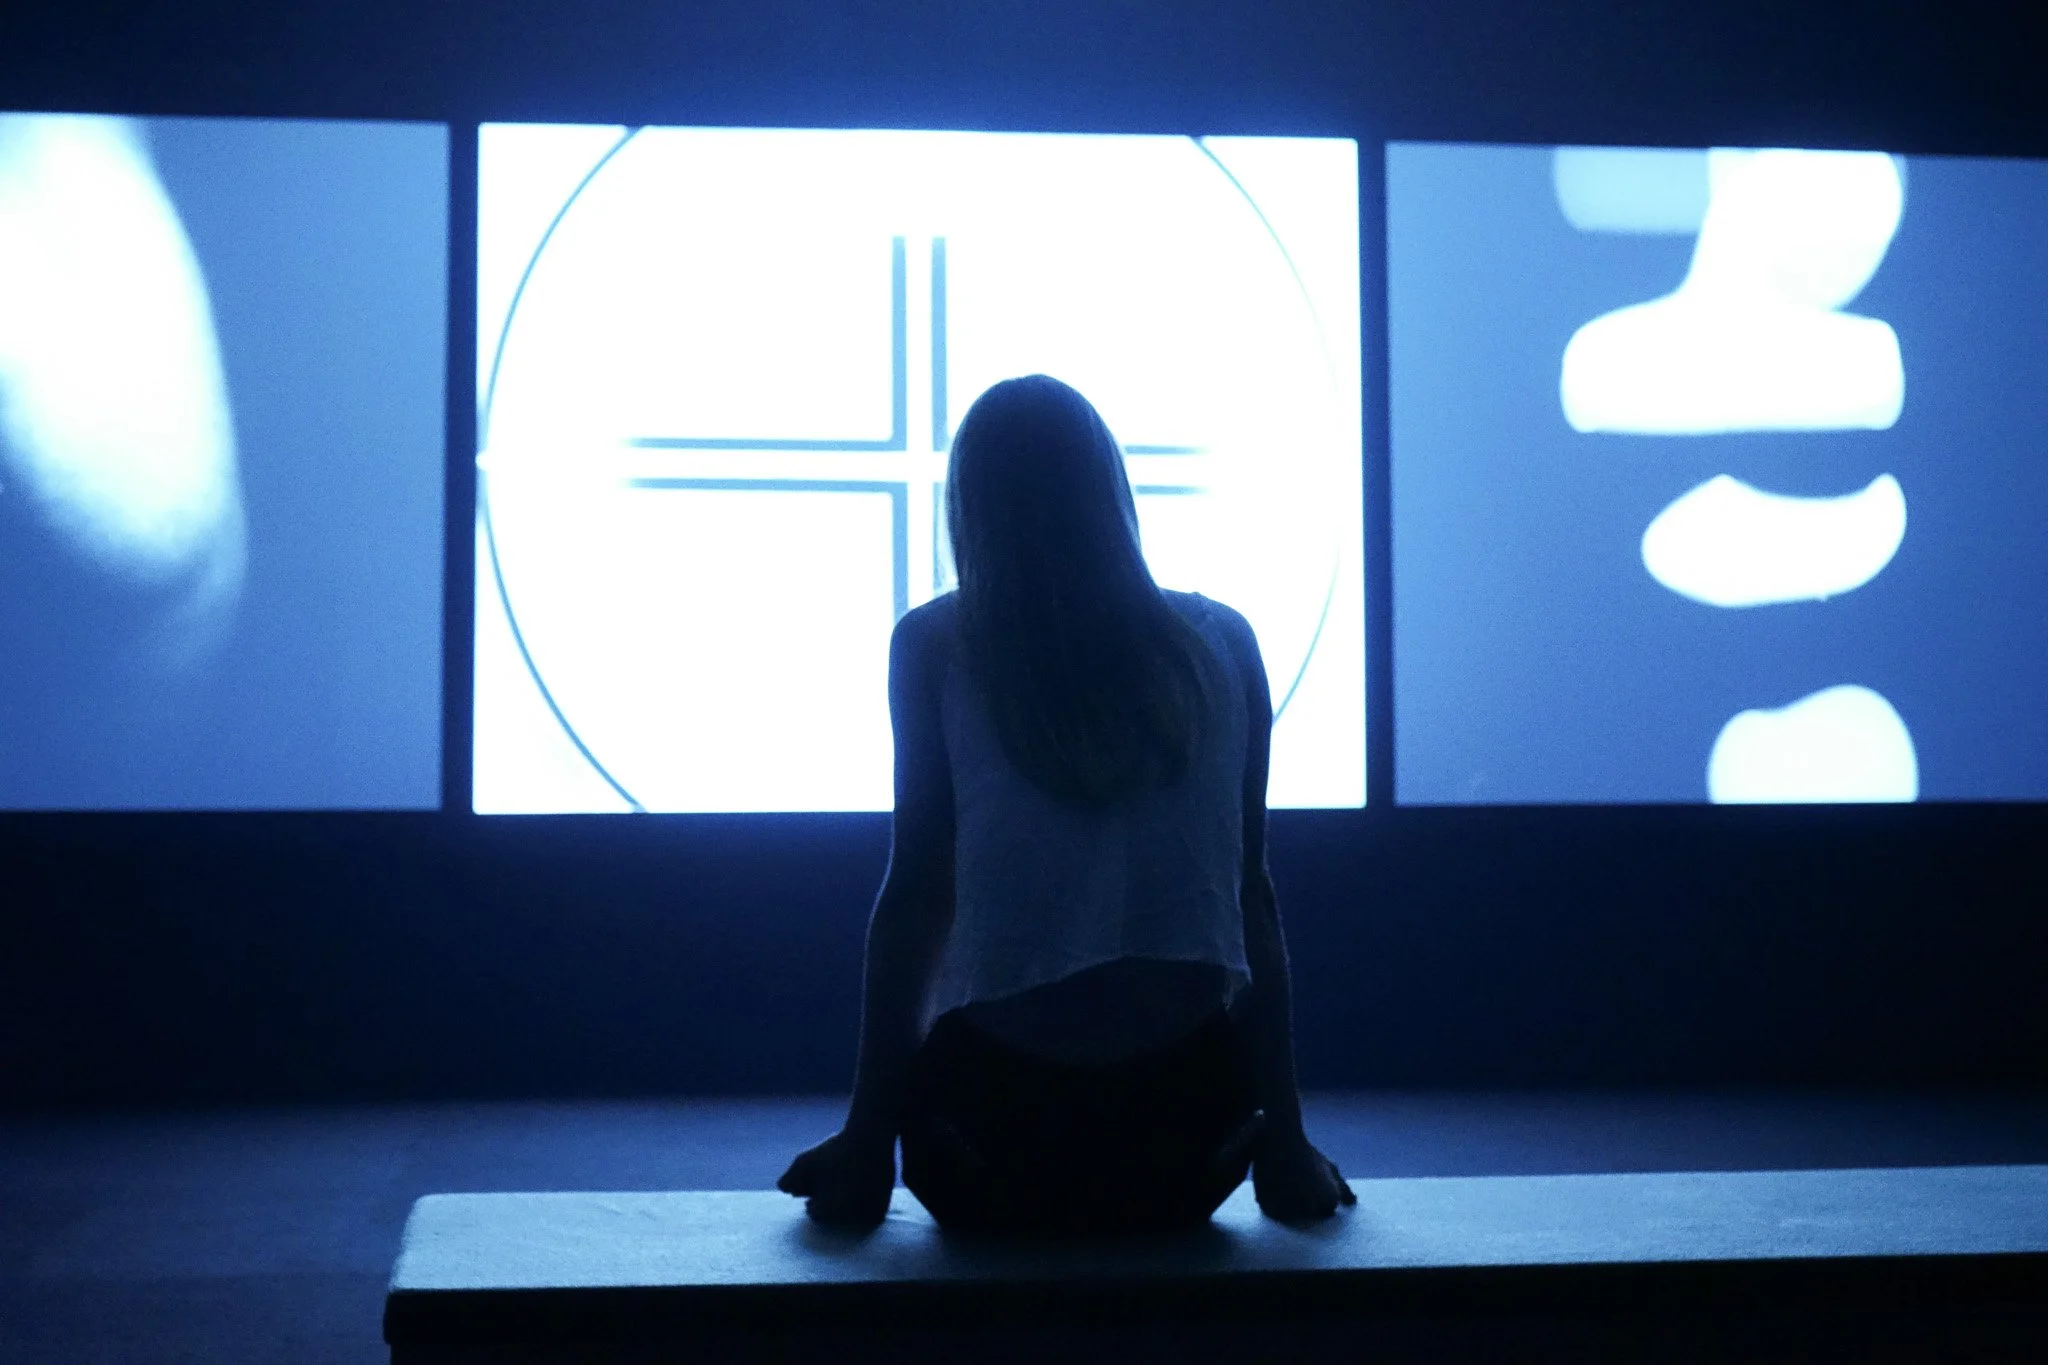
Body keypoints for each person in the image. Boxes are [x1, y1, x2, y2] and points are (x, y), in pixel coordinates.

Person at [779, 375, 1354, 1235]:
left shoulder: (935, 646)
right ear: (1112, 492)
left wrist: (866, 1144)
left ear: (969, 507)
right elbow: (1251, 900)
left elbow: (918, 902)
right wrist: (1288, 1144)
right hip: (1189, 1147)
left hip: (991, 1149)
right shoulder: (1225, 642)